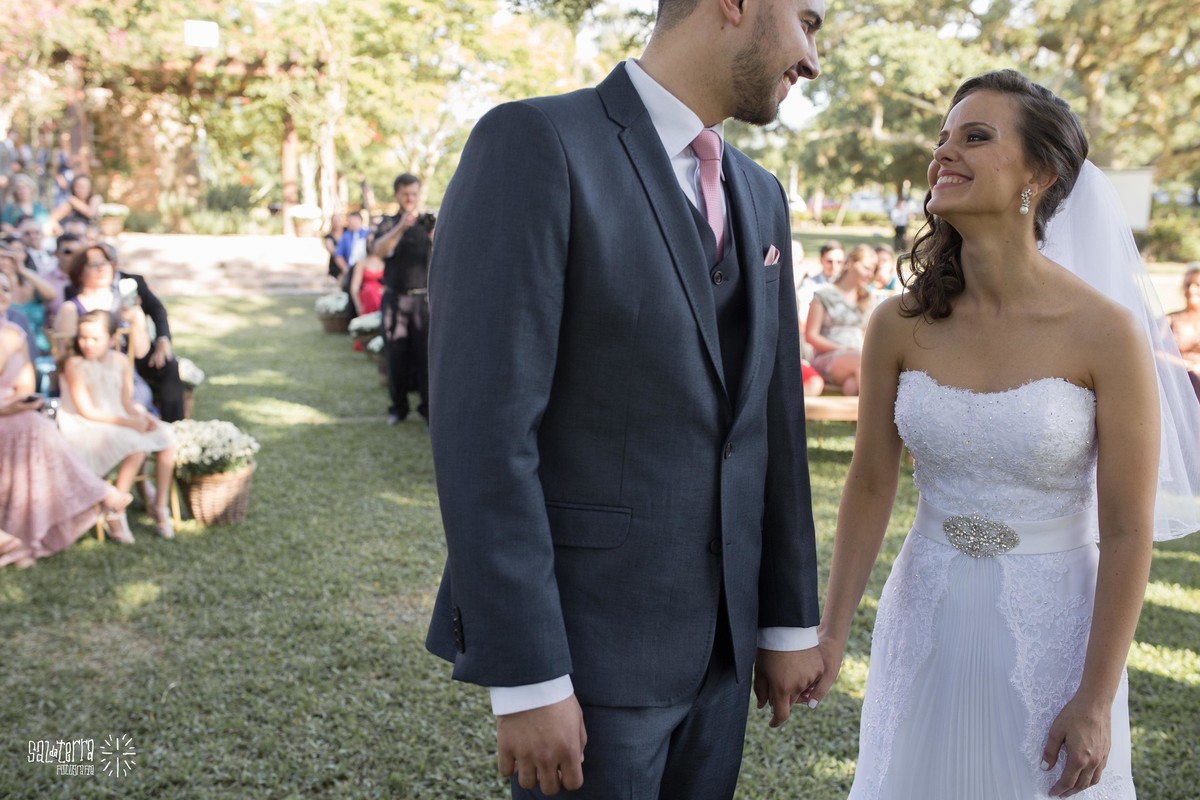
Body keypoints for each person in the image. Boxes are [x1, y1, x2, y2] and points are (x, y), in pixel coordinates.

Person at [423, 0, 826, 796]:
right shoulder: (536, 143)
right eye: (808, 22)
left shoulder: (761, 193)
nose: (812, 58)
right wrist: (529, 678)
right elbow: (486, 434)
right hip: (588, 652)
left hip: (723, 653)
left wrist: (785, 620)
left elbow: (769, 419)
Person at [811, 69, 1200, 799]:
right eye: (942, 139)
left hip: (1057, 626)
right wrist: (832, 634)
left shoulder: (1104, 332)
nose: (943, 154)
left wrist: (1093, 696)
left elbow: (1125, 529)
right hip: (924, 610)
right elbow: (869, 482)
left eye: (976, 137)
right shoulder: (896, 324)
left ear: (1041, 175)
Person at [0, 272, 132, 565]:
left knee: (35, 424)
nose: (1, 294)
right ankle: (100, 493)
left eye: (6, 288)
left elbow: (26, 385)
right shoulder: (8, 336)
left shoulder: (14, 332)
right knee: (35, 428)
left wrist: (16, 402)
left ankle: (23, 534)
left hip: (12, 413)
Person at [56, 309, 177, 540]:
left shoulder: (121, 361)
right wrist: (130, 423)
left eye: (95, 338)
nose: (87, 343)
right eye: (82, 337)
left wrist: (144, 418)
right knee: (136, 448)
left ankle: (159, 506)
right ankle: (115, 511)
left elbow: (126, 402)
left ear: (112, 339)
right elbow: (86, 411)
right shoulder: (74, 364)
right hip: (85, 424)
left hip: (117, 417)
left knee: (167, 437)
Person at [373, 174, 432, 424]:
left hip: (423, 301)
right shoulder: (388, 223)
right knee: (395, 355)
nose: (410, 199)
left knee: (425, 357)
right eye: (406, 194)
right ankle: (398, 407)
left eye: (414, 194)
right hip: (395, 299)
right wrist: (401, 227)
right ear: (397, 195)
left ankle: (428, 408)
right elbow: (378, 251)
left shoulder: (428, 222)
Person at [804, 243, 877, 395]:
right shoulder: (824, 295)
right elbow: (811, 336)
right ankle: (881, 416)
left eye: (873, 270)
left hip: (856, 360)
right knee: (864, 361)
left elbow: (865, 335)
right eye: (866, 268)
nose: (870, 274)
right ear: (850, 263)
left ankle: (861, 417)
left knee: (852, 384)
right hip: (828, 356)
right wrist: (843, 349)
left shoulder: (866, 299)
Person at [1167, 264, 1200, 399]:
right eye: (1188, 285)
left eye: (1197, 285)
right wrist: (1184, 365)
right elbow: (1154, 352)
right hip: (1180, 378)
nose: (1191, 290)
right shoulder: (1170, 319)